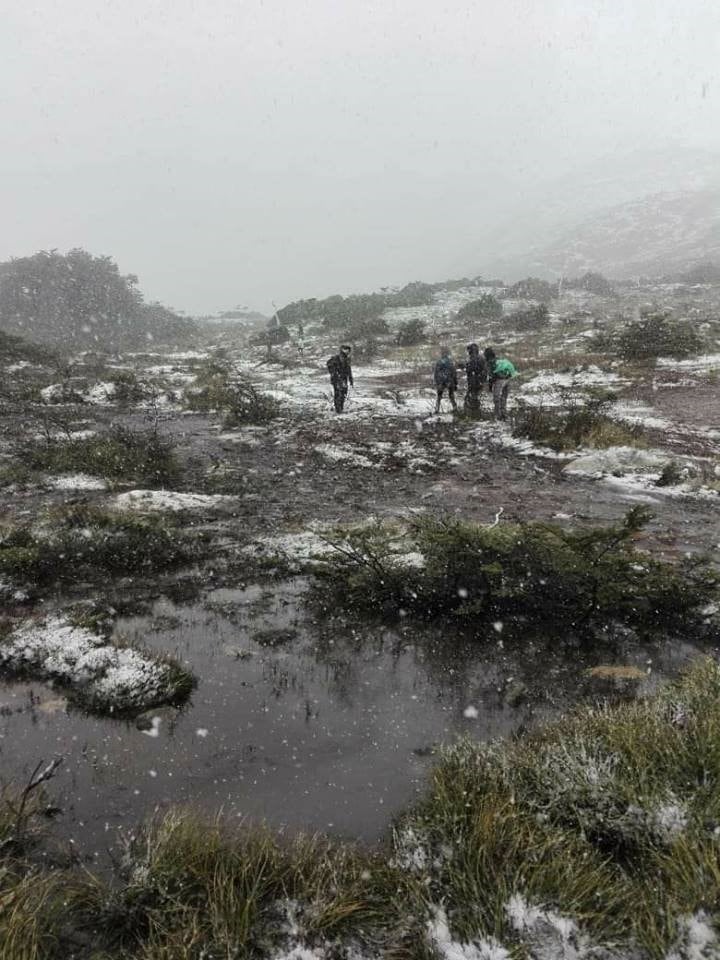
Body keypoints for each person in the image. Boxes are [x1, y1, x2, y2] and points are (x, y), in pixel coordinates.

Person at [484, 347, 517, 421]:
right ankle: (504, 414)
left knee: (496, 398)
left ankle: (498, 416)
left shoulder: (490, 362)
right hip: (508, 379)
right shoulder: (498, 359)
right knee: (504, 397)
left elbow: (491, 375)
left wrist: (490, 386)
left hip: (500, 381)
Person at [326, 345, 354, 413]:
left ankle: (340, 408)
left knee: (343, 392)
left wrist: (351, 380)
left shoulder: (347, 358)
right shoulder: (336, 358)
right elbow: (329, 364)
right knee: (338, 393)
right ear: (342, 349)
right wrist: (334, 373)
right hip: (337, 379)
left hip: (343, 378)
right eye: (346, 349)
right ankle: (338, 410)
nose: (347, 351)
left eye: (348, 350)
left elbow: (349, 370)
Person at [463, 343, 488, 413]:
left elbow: (470, 370)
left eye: (469, 351)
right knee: (473, 397)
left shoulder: (473, 359)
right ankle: (475, 411)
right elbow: (485, 371)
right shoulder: (481, 358)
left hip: (474, 382)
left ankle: (473, 413)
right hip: (478, 381)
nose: (468, 353)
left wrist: (465, 366)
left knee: (471, 398)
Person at [433, 347, 458, 413]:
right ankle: (455, 407)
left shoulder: (438, 362)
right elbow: (454, 373)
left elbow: (436, 373)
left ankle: (437, 409)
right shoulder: (450, 362)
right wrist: (455, 383)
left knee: (439, 396)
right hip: (449, 381)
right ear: (447, 354)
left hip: (441, 381)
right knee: (451, 395)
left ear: (441, 354)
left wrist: (436, 382)